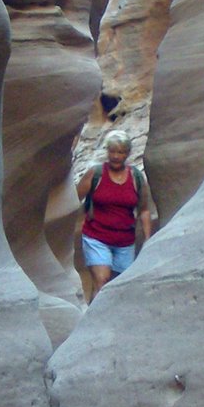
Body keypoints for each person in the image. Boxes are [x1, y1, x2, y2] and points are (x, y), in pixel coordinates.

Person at [77, 130, 153, 303]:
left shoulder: (136, 177)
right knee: (102, 281)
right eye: (112, 151)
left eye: (121, 152)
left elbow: (144, 210)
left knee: (119, 287)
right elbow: (74, 200)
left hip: (125, 242)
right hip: (96, 236)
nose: (116, 156)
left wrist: (148, 239)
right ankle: (95, 318)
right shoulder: (95, 174)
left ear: (127, 153)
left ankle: (94, 310)